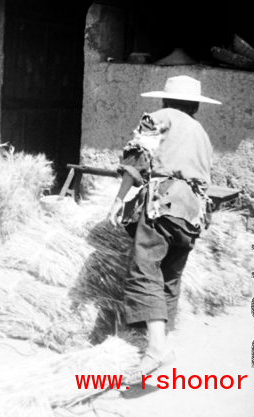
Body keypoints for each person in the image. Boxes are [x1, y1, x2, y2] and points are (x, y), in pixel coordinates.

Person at [106, 75, 221, 384]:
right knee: (169, 276)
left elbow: (137, 159)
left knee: (144, 268)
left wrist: (119, 200)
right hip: (192, 212)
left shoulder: (159, 118)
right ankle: (160, 343)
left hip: (164, 203)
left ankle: (155, 349)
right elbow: (206, 177)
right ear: (196, 105)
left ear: (165, 101)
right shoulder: (202, 134)